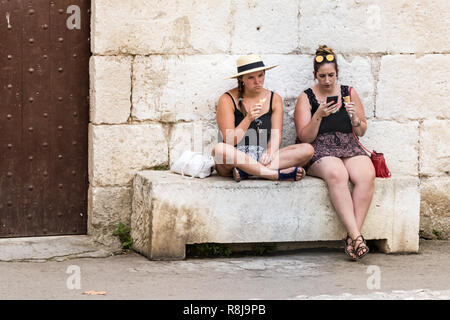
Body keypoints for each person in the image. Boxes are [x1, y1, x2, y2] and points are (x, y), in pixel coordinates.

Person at [294, 45, 375, 261]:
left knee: (366, 175)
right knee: (338, 174)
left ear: (337, 73)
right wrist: (318, 115)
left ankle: (352, 238)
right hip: (320, 147)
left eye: (331, 75)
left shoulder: (349, 93)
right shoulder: (306, 98)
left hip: (348, 145)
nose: (327, 80)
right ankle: (357, 237)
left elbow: (362, 131)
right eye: (322, 76)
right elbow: (305, 138)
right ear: (315, 75)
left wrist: (355, 119)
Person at [212, 54, 314, 182]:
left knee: (307, 149)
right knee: (219, 149)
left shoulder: (274, 99)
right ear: (241, 78)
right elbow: (229, 141)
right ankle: (273, 175)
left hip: (261, 156)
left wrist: (270, 151)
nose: (257, 81)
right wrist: (248, 119)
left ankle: (248, 172)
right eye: (251, 78)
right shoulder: (227, 99)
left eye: (260, 75)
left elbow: (276, 135)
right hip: (235, 158)